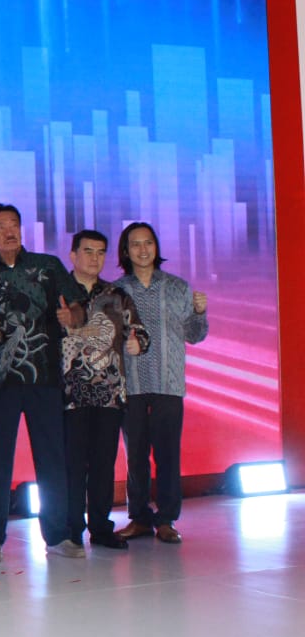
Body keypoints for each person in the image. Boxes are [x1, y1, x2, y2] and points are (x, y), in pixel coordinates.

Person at [0, 204, 86, 561]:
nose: (9, 231)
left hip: (44, 376)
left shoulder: (48, 267)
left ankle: (58, 534)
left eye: (14, 224)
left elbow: (79, 307)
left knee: (52, 458)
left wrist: (71, 316)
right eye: (0, 227)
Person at [113, 222, 208, 544]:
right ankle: (139, 518)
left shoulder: (178, 287)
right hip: (131, 384)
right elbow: (106, 337)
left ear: (156, 247)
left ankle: (166, 519)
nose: (143, 250)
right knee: (136, 454)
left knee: (167, 454)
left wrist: (199, 313)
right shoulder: (115, 291)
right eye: (135, 244)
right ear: (126, 251)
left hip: (168, 383)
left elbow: (195, 335)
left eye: (148, 243)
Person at [61, 230, 149, 551]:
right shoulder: (58, 293)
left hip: (109, 394)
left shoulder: (116, 295)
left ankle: (100, 528)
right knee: (72, 467)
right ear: (73, 255)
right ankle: (71, 529)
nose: (94, 258)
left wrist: (138, 342)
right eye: (88, 251)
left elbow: (140, 332)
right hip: (69, 395)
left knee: (102, 465)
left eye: (100, 252)